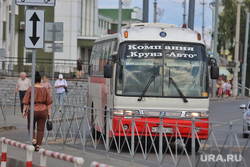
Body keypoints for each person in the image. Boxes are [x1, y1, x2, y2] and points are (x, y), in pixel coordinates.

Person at [22, 71, 53, 151]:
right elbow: (48, 102)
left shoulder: (30, 89)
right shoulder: (45, 89)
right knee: (41, 128)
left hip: (32, 110)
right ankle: (38, 145)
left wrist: (24, 111)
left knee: (30, 126)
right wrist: (48, 112)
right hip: (43, 110)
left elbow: (26, 101)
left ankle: (33, 140)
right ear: (40, 80)